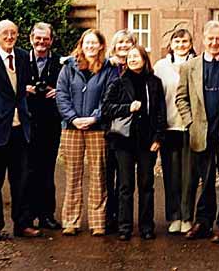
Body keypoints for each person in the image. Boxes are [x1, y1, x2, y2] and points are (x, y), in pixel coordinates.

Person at [176, 20, 219, 243]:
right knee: (204, 182)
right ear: (203, 40)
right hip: (201, 134)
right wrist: (190, 123)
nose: (214, 42)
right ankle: (203, 222)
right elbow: (181, 98)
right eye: (210, 38)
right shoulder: (189, 67)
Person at [0, 19, 41, 240]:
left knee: (21, 180)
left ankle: (23, 224)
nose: (9, 36)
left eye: (13, 33)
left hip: (20, 128)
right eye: (5, 33)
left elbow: (22, 88)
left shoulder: (23, 57)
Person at [56, 29, 118, 236]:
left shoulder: (109, 69)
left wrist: (94, 118)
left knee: (98, 175)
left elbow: (109, 98)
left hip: (97, 129)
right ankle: (70, 221)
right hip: (72, 129)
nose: (90, 46)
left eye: (94, 43)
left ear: (101, 46)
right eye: (87, 43)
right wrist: (73, 118)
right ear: (81, 45)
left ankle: (97, 222)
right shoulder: (68, 68)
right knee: (73, 175)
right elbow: (62, 96)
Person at [102, 45, 166, 241]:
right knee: (125, 185)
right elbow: (106, 108)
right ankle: (125, 227)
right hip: (124, 141)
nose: (132, 59)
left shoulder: (154, 82)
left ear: (144, 59)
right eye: (129, 57)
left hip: (147, 141)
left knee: (147, 185)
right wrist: (127, 107)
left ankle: (147, 227)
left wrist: (158, 137)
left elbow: (160, 112)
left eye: (136, 56)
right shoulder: (119, 82)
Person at [153, 29, 197, 234]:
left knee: (189, 175)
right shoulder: (160, 66)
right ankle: (174, 216)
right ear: (171, 44)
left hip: (190, 126)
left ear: (191, 43)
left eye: (185, 41)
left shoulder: (197, 63)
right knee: (171, 175)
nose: (181, 45)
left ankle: (187, 216)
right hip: (169, 126)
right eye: (177, 41)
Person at [26, 22, 62, 230]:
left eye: (45, 39)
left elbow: (68, 86)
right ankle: (29, 214)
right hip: (28, 122)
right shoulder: (22, 59)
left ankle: (47, 215)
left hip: (50, 122)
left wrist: (58, 91)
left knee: (47, 170)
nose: (41, 42)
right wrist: (24, 88)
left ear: (51, 40)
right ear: (31, 39)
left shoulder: (60, 62)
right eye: (37, 38)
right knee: (28, 170)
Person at [104, 29, 136, 234]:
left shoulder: (136, 67)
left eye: (128, 42)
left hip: (129, 131)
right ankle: (109, 218)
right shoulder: (107, 67)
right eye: (120, 43)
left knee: (125, 179)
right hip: (108, 128)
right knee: (107, 177)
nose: (123, 46)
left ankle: (123, 220)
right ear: (114, 46)